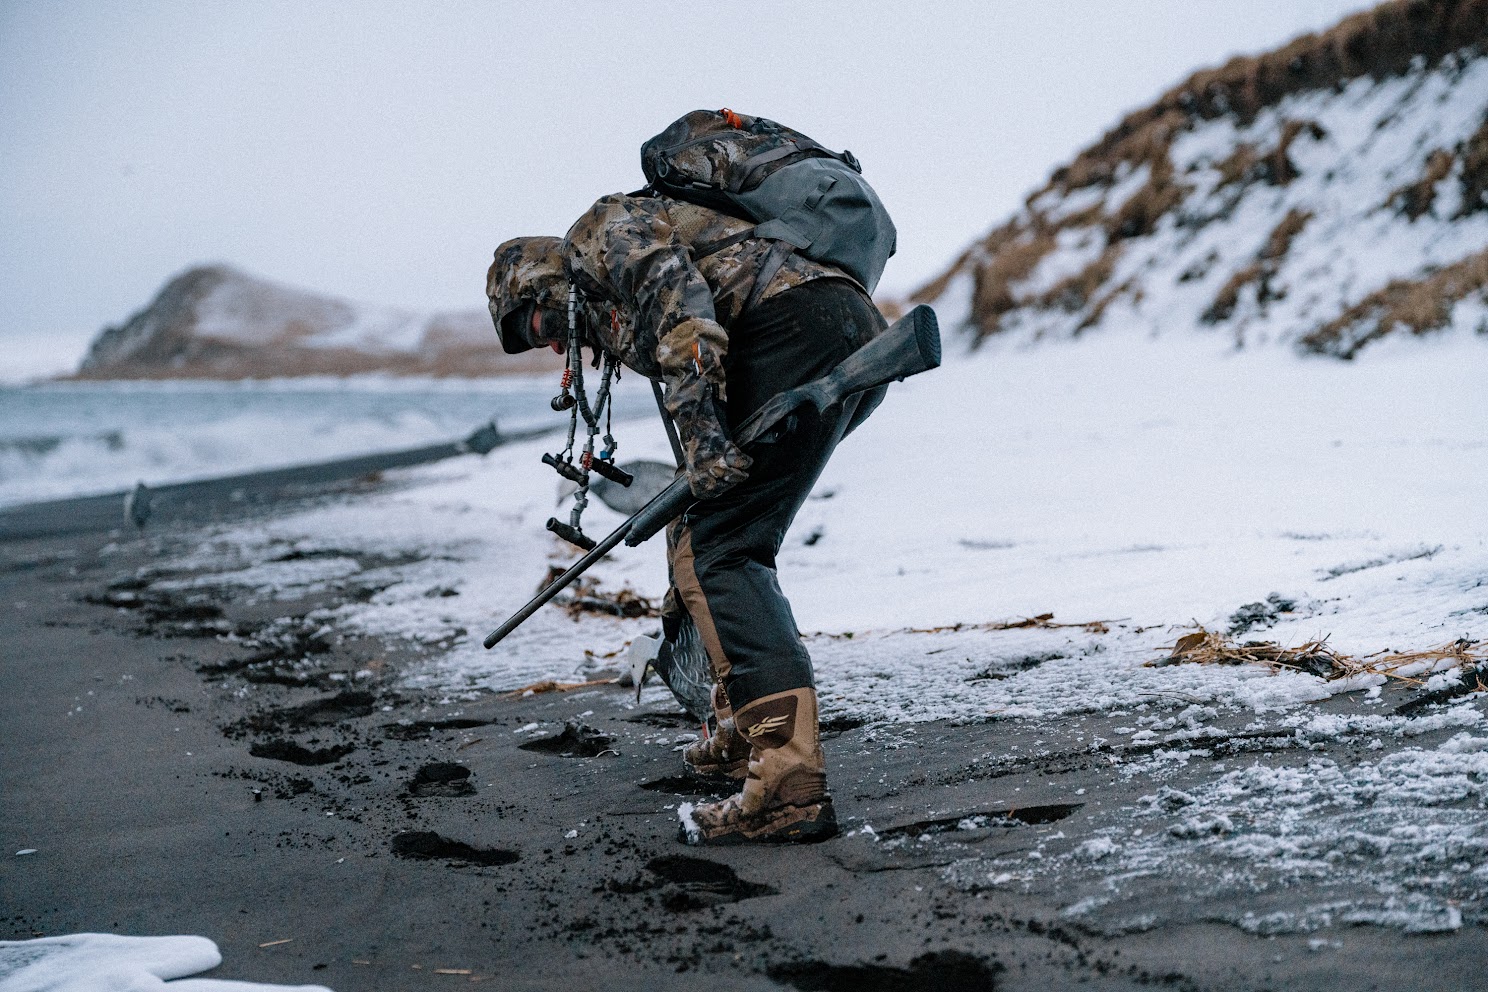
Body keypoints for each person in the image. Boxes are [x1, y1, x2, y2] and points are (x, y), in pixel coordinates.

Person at [486, 174, 887, 845]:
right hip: (835, 331)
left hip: (792, 331)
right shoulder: (606, 308)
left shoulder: (597, 236)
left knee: (724, 550)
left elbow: (682, 306)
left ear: (538, 279)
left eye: (535, 324)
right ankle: (740, 728)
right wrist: (697, 466)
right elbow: (690, 383)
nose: (551, 346)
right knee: (714, 538)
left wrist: (705, 446)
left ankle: (788, 781)